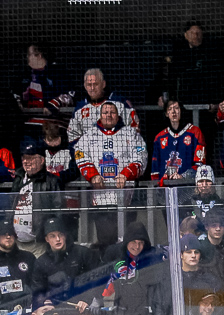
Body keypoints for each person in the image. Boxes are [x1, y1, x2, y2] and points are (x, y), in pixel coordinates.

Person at [74, 101, 146, 248]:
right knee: (105, 242)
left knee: (128, 241)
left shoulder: (130, 133)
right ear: (100, 115)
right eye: (105, 112)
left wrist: (126, 174)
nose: (108, 115)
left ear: (118, 115)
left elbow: (141, 156)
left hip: (127, 198)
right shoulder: (89, 135)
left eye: (112, 112)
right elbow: (79, 154)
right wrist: (92, 175)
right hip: (101, 200)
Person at [9, 140, 65, 256]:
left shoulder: (51, 181)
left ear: (42, 160)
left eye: (30, 158)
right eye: (24, 158)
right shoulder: (18, 179)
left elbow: (58, 210)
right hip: (18, 243)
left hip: (39, 245)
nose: (26, 161)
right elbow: (10, 205)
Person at [32, 216, 98, 307]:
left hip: (84, 307)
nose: (58, 239)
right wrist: (45, 301)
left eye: (60, 235)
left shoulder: (83, 253)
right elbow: (38, 290)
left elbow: (97, 279)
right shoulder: (41, 262)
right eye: (53, 236)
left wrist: (87, 299)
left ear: (65, 235)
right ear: (47, 239)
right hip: (55, 309)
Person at [18, 43, 76, 145]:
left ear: (39, 55)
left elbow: (69, 95)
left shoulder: (58, 72)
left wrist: (52, 105)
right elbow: (15, 95)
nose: (27, 58)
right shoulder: (24, 74)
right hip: (29, 127)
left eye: (29, 54)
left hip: (54, 126)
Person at [65, 68, 138, 143]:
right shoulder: (80, 108)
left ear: (103, 84)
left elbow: (134, 127)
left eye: (96, 84)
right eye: (89, 85)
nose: (92, 88)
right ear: (85, 86)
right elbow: (73, 136)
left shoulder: (119, 103)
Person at [158, 21, 220, 107]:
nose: (195, 36)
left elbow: (219, 78)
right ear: (186, 35)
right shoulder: (179, 56)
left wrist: (215, 102)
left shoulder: (211, 55)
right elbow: (169, 79)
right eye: (192, 33)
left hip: (205, 103)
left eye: (198, 33)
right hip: (183, 103)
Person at [151, 99, 206, 184]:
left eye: (176, 108)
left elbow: (200, 164)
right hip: (165, 188)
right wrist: (157, 187)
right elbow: (155, 168)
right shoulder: (159, 137)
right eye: (170, 109)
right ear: (166, 114)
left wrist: (184, 177)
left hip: (188, 187)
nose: (173, 112)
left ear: (181, 111)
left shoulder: (195, 133)